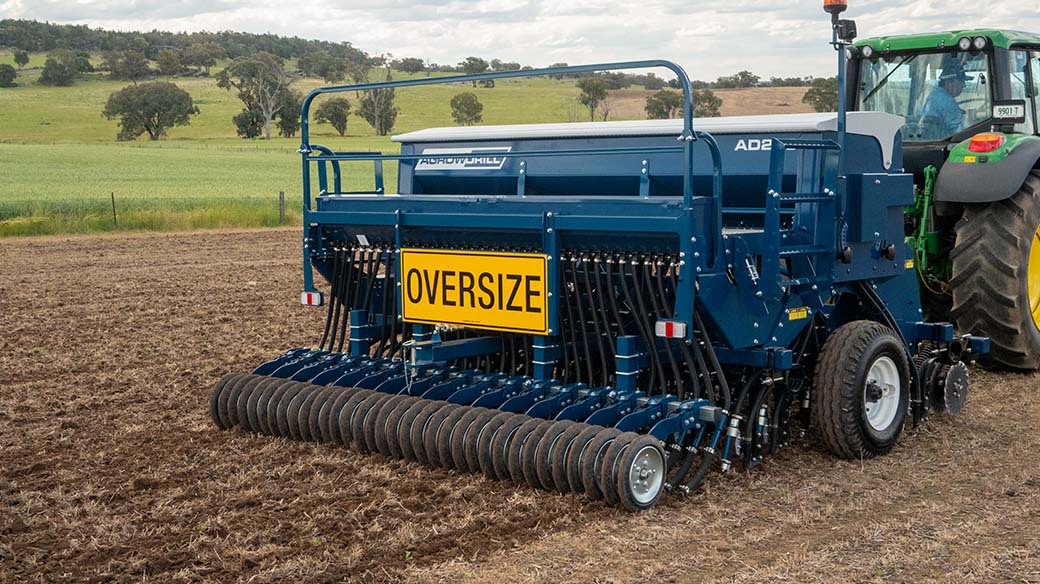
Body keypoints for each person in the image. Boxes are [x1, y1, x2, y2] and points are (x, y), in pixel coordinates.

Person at [918, 61, 972, 139]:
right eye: (961, 81)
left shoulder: (934, 95)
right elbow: (960, 132)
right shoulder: (947, 102)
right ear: (949, 82)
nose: (964, 85)